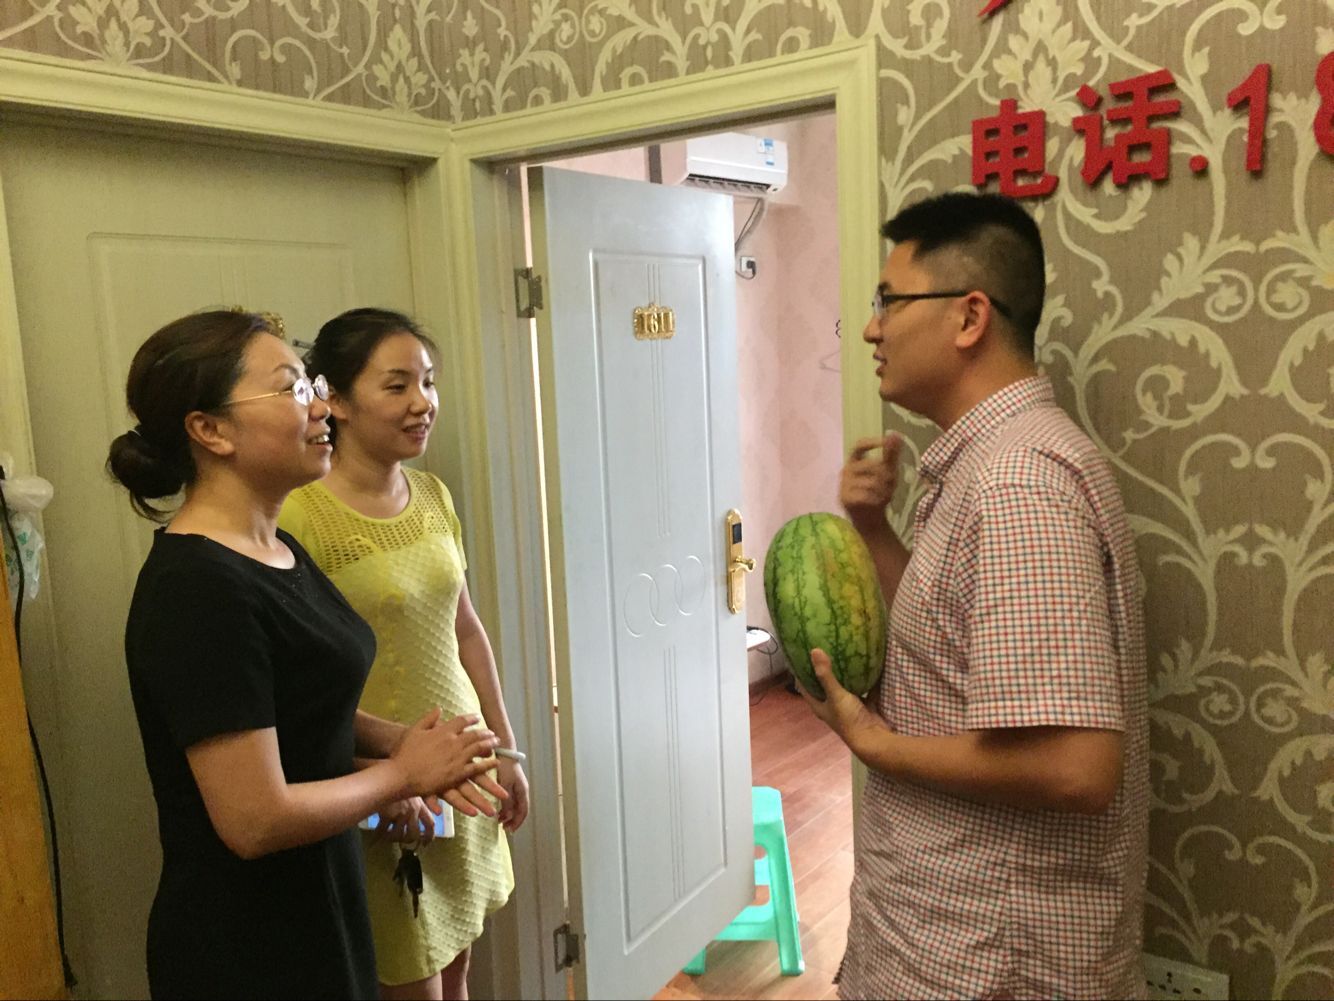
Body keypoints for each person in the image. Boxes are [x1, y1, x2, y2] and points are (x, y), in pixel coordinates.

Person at [799, 192, 1149, 999]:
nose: (870, 329)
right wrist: (872, 528)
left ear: (969, 317)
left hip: (986, 961)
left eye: (889, 301)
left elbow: (1076, 766)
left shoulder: (1019, 481)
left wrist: (873, 741)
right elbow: (946, 646)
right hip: (941, 933)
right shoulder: (989, 463)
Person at [108, 309, 507, 1001]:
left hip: (323, 899)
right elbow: (254, 819)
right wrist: (401, 775)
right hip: (250, 942)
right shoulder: (197, 589)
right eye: (293, 389)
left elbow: (303, 706)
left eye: (313, 385)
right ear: (210, 430)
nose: (320, 406)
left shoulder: (274, 549)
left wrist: (398, 742)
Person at [278, 308, 526, 1001]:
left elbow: (466, 629)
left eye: (428, 381)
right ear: (335, 399)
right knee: (409, 979)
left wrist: (503, 748)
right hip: (386, 790)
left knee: (458, 962)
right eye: (397, 385)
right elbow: (295, 687)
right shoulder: (300, 515)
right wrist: (381, 778)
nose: (423, 402)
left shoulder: (433, 494)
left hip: (463, 768)